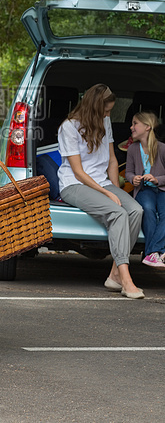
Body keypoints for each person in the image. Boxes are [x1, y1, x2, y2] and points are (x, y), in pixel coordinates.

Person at [57, 83, 144, 299]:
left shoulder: (104, 121)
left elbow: (112, 160)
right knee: (117, 213)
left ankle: (115, 272)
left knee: (135, 210)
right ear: (93, 108)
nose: (109, 115)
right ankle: (125, 277)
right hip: (74, 184)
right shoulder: (68, 127)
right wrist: (108, 195)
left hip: (102, 181)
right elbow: (78, 172)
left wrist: (115, 189)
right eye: (106, 111)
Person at [126, 111, 165, 268]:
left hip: (162, 189)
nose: (131, 127)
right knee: (147, 209)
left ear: (147, 127)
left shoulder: (162, 148)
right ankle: (156, 253)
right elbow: (128, 171)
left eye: (135, 123)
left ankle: (151, 252)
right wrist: (132, 178)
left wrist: (157, 180)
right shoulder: (132, 149)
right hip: (144, 190)